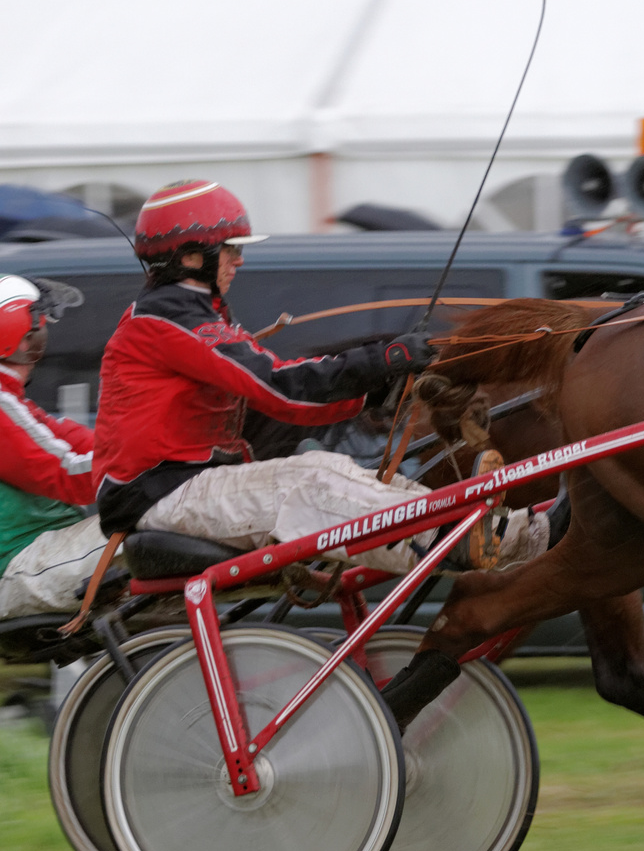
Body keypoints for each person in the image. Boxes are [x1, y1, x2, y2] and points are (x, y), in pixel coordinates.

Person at [93, 179, 545, 576]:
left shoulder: (187, 314)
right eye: (231, 249)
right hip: (161, 494)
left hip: (182, 488)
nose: (239, 261)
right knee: (309, 484)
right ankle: (459, 538)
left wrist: (374, 394)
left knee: (337, 471)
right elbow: (282, 389)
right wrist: (381, 359)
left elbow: (291, 400)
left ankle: (522, 532)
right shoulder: (167, 321)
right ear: (191, 257)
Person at [0, 275, 116, 618]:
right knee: (150, 535)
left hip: (31, 548)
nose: (44, 337)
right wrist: (138, 463)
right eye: (39, 329)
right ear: (22, 339)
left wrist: (138, 444)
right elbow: (66, 474)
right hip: (17, 560)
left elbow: (69, 437)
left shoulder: (13, 399)